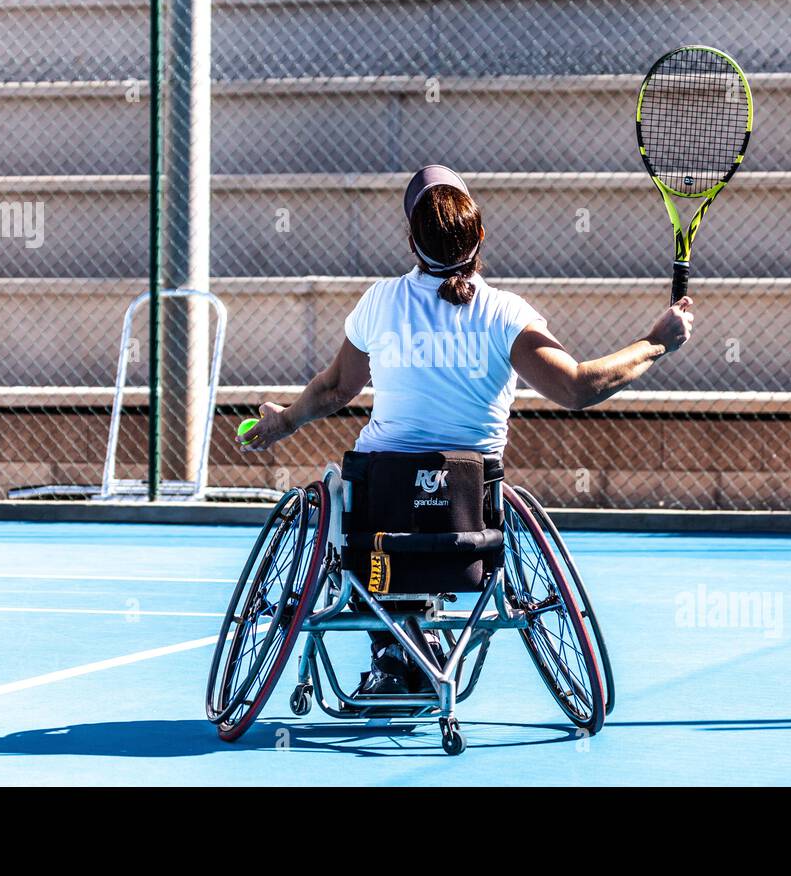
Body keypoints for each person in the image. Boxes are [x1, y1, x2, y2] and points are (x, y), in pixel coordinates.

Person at [237, 165, 694, 694]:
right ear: (479, 235)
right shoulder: (505, 314)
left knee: (344, 500)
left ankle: (391, 643)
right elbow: (578, 388)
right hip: (470, 518)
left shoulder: (380, 303)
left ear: (411, 242)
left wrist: (284, 422)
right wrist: (657, 342)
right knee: (425, 500)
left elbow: (335, 390)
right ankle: (410, 643)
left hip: (378, 517)